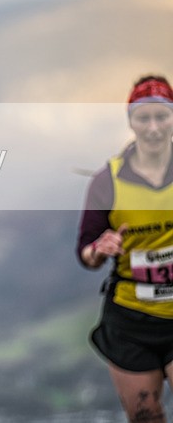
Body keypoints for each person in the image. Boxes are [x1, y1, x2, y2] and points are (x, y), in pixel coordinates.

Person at [77, 75, 173, 422]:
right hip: (131, 323)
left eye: (162, 116)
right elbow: (86, 252)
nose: (153, 127)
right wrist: (100, 248)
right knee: (146, 418)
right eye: (143, 117)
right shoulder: (107, 181)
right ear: (130, 120)